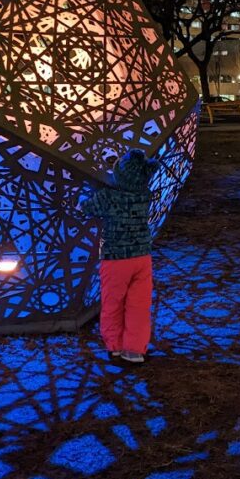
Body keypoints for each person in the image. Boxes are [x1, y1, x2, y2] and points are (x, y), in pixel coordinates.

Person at [80, 149, 158, 364]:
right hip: (142, 257)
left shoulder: (108, 196)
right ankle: (134, 351)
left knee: (113, 303)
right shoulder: (145, 195)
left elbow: (87, 207)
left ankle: (114, 346)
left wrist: (83, 196)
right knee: (139, 306)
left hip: (115, 259)